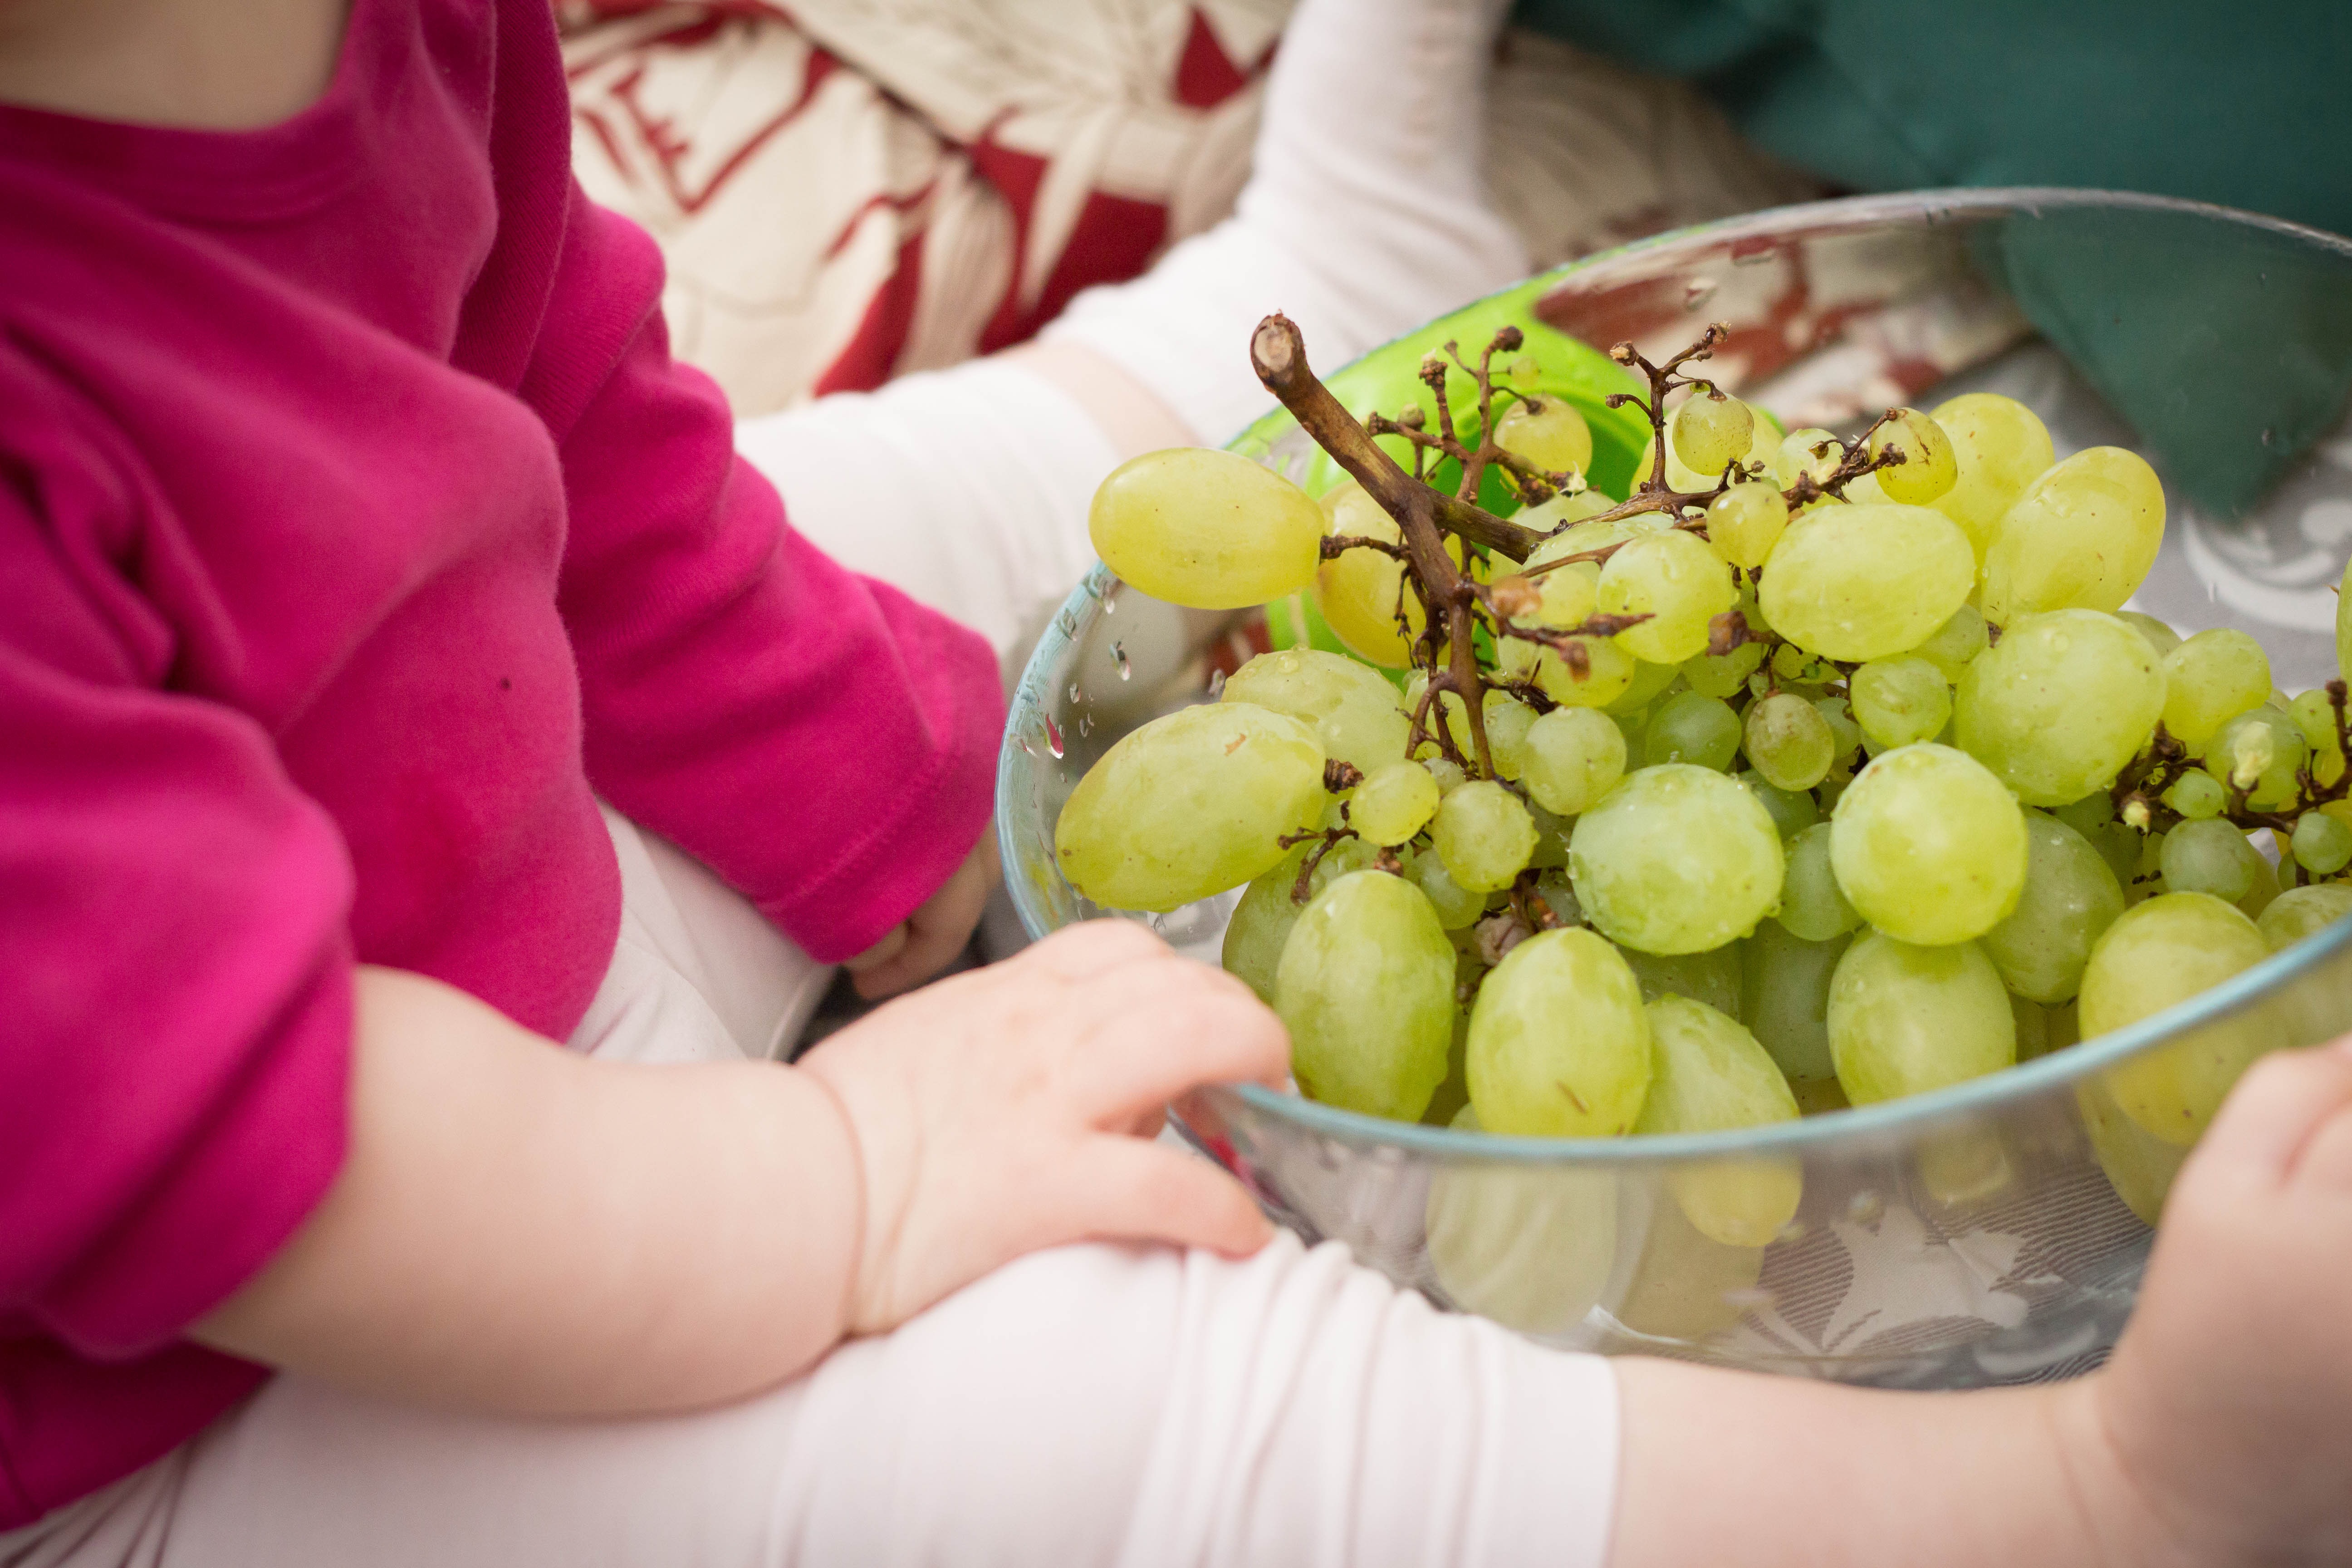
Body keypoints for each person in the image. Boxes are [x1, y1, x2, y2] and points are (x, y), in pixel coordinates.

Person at [1, 5, 2348, 1568]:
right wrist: (833, 1175)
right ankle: (2104, 1489)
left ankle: (1314, 278)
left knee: (808, 520)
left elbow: (564, 440)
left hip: (410, 871)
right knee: (1098, 1407)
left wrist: (887, 798)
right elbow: (233, 1137)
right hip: (209, 1388)